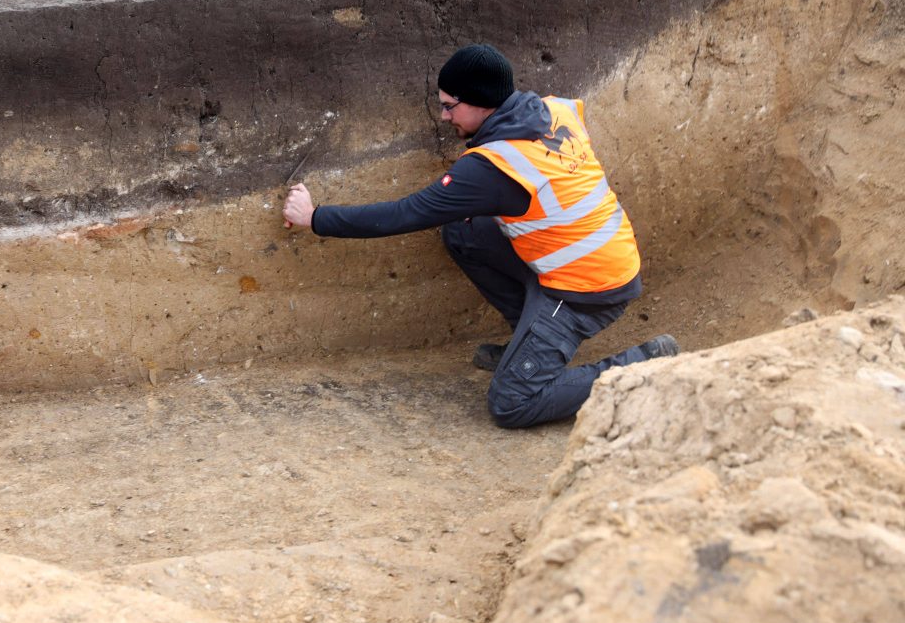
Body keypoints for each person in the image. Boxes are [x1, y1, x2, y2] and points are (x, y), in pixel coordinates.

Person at [281, 43, 679, 428]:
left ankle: (640, 369)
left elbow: (407, 213)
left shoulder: (495, 166)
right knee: (464, 230)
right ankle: (528, 341)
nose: (443, 116)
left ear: (481, 102)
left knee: (512, 403)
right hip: (599, 259)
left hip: (585, 290)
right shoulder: (553, 110)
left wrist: (316, 217)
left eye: (449, 106)